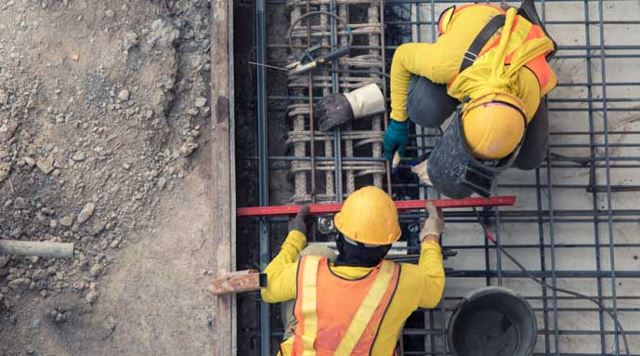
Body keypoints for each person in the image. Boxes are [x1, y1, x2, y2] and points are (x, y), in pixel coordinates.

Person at [315, 1, 557, 198]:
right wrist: (398, 120)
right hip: (478, 28)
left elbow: (495, 138)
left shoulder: (534, 89)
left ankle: (524, 23)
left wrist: (455, 167)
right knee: (422, 110)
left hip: (524, 53)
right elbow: (402, 57)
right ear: (465, 109)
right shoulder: (447, 62)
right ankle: (507, 12)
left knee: (531, 157)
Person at [261, 186, 445, 354]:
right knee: (395, 306)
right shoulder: (403, 281)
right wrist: (431, 235)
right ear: (387, 247)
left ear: (339, 239)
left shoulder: (307, 273)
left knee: (317, 252)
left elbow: (267, 289)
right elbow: (434, 289)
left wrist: (295, 236)